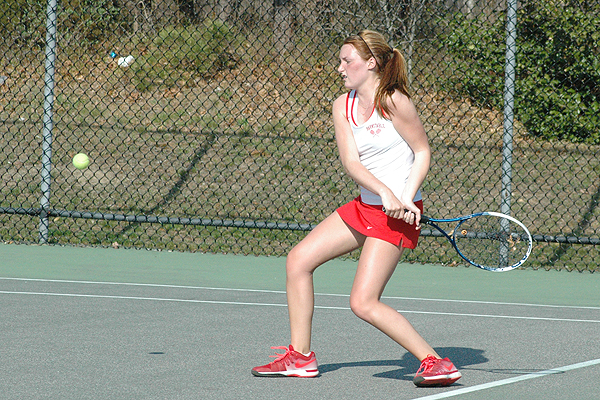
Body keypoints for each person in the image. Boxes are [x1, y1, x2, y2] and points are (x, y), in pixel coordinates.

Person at [251, 30, 461, 387]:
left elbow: (422, 151)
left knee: (363, 302)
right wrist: (383, 193)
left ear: (371, 63)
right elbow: (351, 162)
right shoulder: (342, 105)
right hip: (366, 206)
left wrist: (406, 196)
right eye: (341, 60)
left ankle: (435, 362)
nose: (340, 67)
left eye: (347, 60)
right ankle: (300, 357)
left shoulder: (395, 102)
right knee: (298, 260)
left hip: (397, 214)